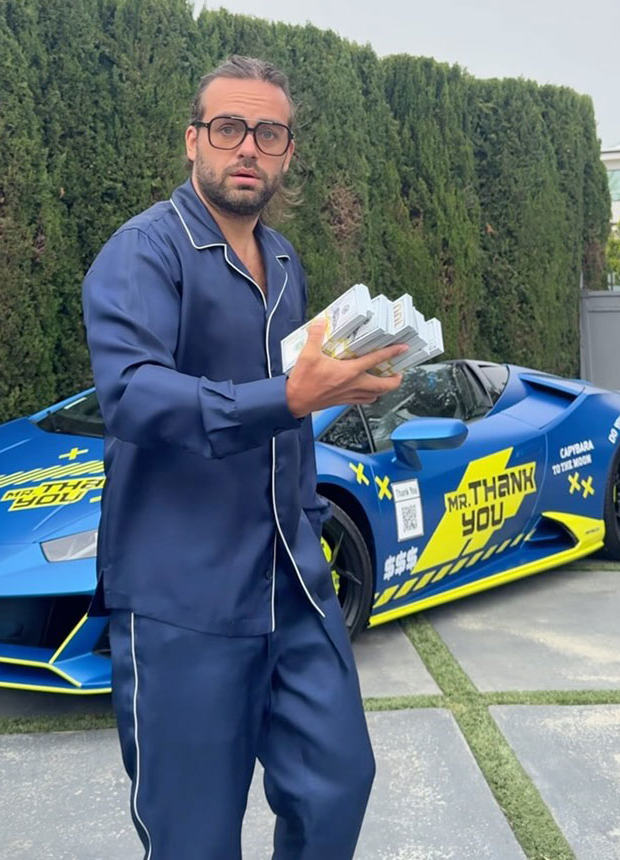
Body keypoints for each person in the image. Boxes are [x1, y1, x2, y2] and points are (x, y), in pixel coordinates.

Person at [82, 55, 405, 860]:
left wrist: (336, 399)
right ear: (193, 141)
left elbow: (291, 418)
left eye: (268, 132)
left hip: (292, 582)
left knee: (339, 782)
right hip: (181, 598)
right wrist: (292, 396)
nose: (248, 148)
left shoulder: (285, 261)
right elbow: (133, 394)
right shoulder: (143, 253)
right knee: (193, 838)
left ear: (288, 150)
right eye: (229, 128)